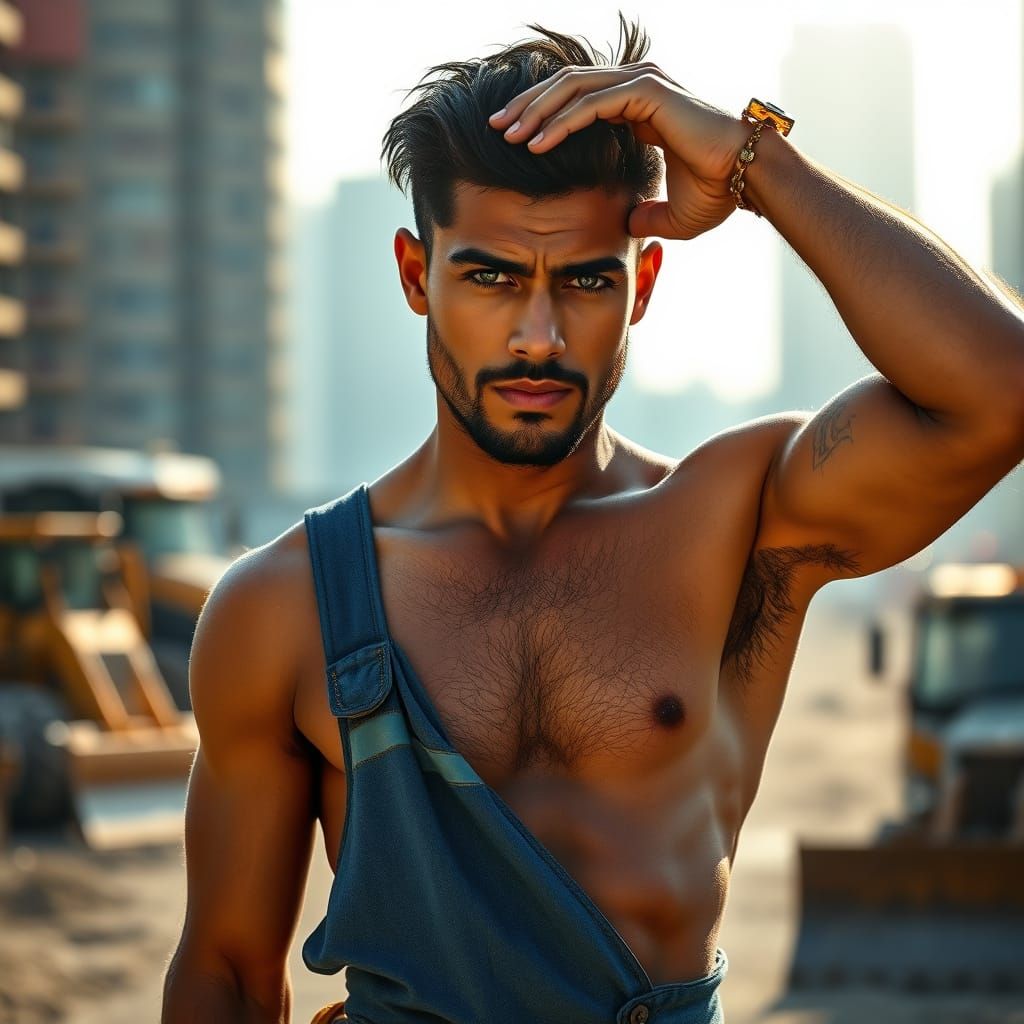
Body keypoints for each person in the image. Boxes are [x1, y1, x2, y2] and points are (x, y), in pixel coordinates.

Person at [161, 16, 1024, 1024]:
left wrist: (752, 158)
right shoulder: (284, 605)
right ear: (414, 275)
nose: (538, 335)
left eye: (584, 279)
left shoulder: (731, 522)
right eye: (489, 276)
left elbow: (997, 393)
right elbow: (222, 967)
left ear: (641, 285)